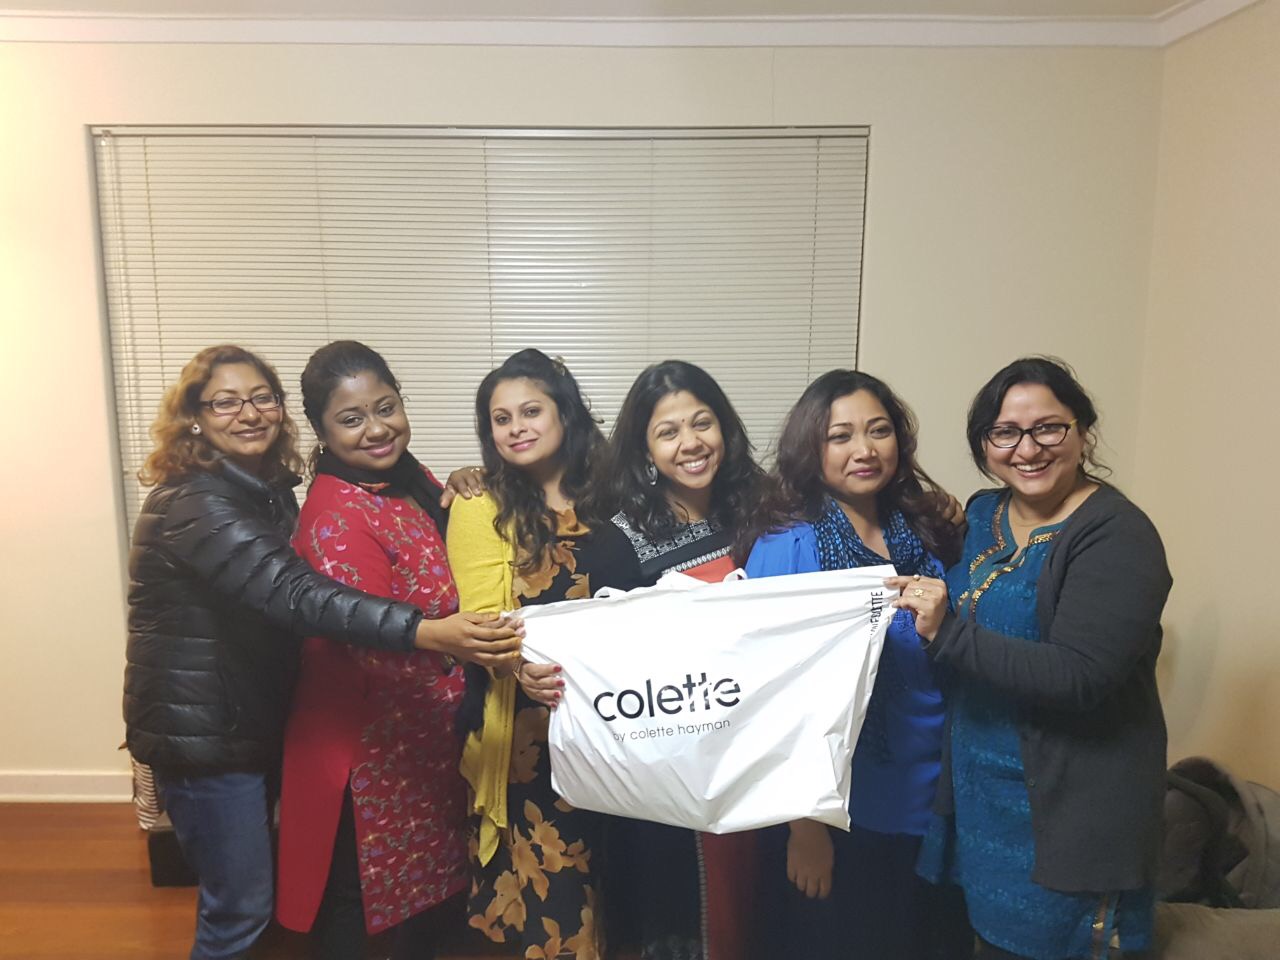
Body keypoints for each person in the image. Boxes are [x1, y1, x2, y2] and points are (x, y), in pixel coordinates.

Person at [123, 344, 521, 960]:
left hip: (253, 715)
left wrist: (468, 481)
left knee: (262, 902)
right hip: (206, 732)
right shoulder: (197, 502)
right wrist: (434, 634)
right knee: (241, 909)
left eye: (261, 397)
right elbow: (300, 595)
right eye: (225, 402)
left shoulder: (271, 488)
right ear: (193, 417)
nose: (248, 413)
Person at [899, 357, 1172, 960]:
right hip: (982, 805)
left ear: (1083, 431)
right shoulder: (982, 515)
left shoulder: (1117, 535)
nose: (1027, 449)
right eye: (1005, 433)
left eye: (1048, 428)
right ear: (984, 444)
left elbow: (1081, 675)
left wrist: (947, 633)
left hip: (1069, 817)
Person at [741, 369, 970, 960]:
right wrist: (805, 828)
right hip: (843, 808)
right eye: (840, 436)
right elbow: (773, 698)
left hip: (933, 794)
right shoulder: (789, 545)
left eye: (879, 430)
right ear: (810, 449)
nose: (864, 450)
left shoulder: (925, 530)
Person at [275, 341, 474, 958]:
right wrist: (468, 651)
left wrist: (469, 484)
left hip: (423, 730)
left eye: (386, 407)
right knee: (365, 905)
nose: (377, 429)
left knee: (428, 896)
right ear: (321, 431)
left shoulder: (406, 479)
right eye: (352, 419)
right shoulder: (335, 513)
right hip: (368, 743)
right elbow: (371, 641)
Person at [448, 349, 642, 960]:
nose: (516, 428)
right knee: (557, 905)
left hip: (627, 721)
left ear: (565, 412)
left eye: (531, 411)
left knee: (627, 891)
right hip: (534, 732)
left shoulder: (618, 496)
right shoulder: (481, 506)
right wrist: (518, 668)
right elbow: (483, 621)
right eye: (501, 419)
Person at [583, 359, 771, 960]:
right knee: (683, 921)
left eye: (702, 423)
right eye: (668, 432)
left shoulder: (763, 510)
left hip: (763, 748)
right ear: (645, 449)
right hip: (673, 769)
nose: (691, 443)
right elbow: (609, 662)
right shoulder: (619, 540)